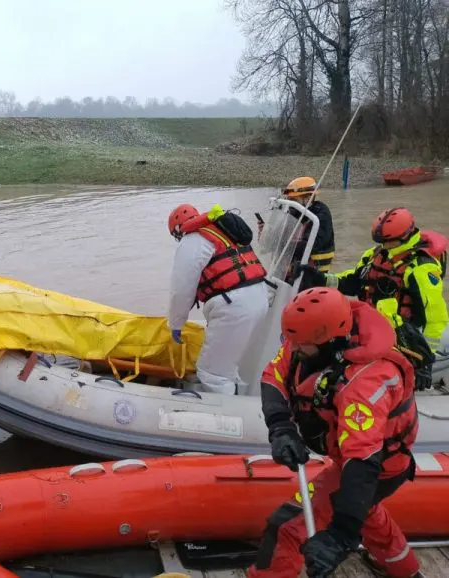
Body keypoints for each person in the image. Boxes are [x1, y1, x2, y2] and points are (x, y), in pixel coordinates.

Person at [248, 287, 421, 578]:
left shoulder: (364, 384)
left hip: (379, 467)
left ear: (330, 339)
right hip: (352, 459)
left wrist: (340, 536)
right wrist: (281, 427)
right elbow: (274, 375)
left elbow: (362, 464)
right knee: (367, 514)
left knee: (287, 526)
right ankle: (408, 571)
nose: (294, 349)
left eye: (301, 345)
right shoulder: (307, 338)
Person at [296, 207, 448, 388]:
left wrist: (425, 361)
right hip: (367, 323)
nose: (383, 245)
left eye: (387, 241)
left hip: (399, 335)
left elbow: (435, 319)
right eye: (381, 241)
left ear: (403, 237)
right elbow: (352, 280)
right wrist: (321, 278)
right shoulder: (374, 255)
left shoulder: (421, 270)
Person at [167, 203, 270, 395]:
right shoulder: (225, 231)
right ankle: (239, 397)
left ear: (178, 230)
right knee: (230, 364)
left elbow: (180, 290)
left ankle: (226, 418)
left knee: (212, 373)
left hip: (235, 306)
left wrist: (176, 324)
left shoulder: (192, 239)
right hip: (260, 298)